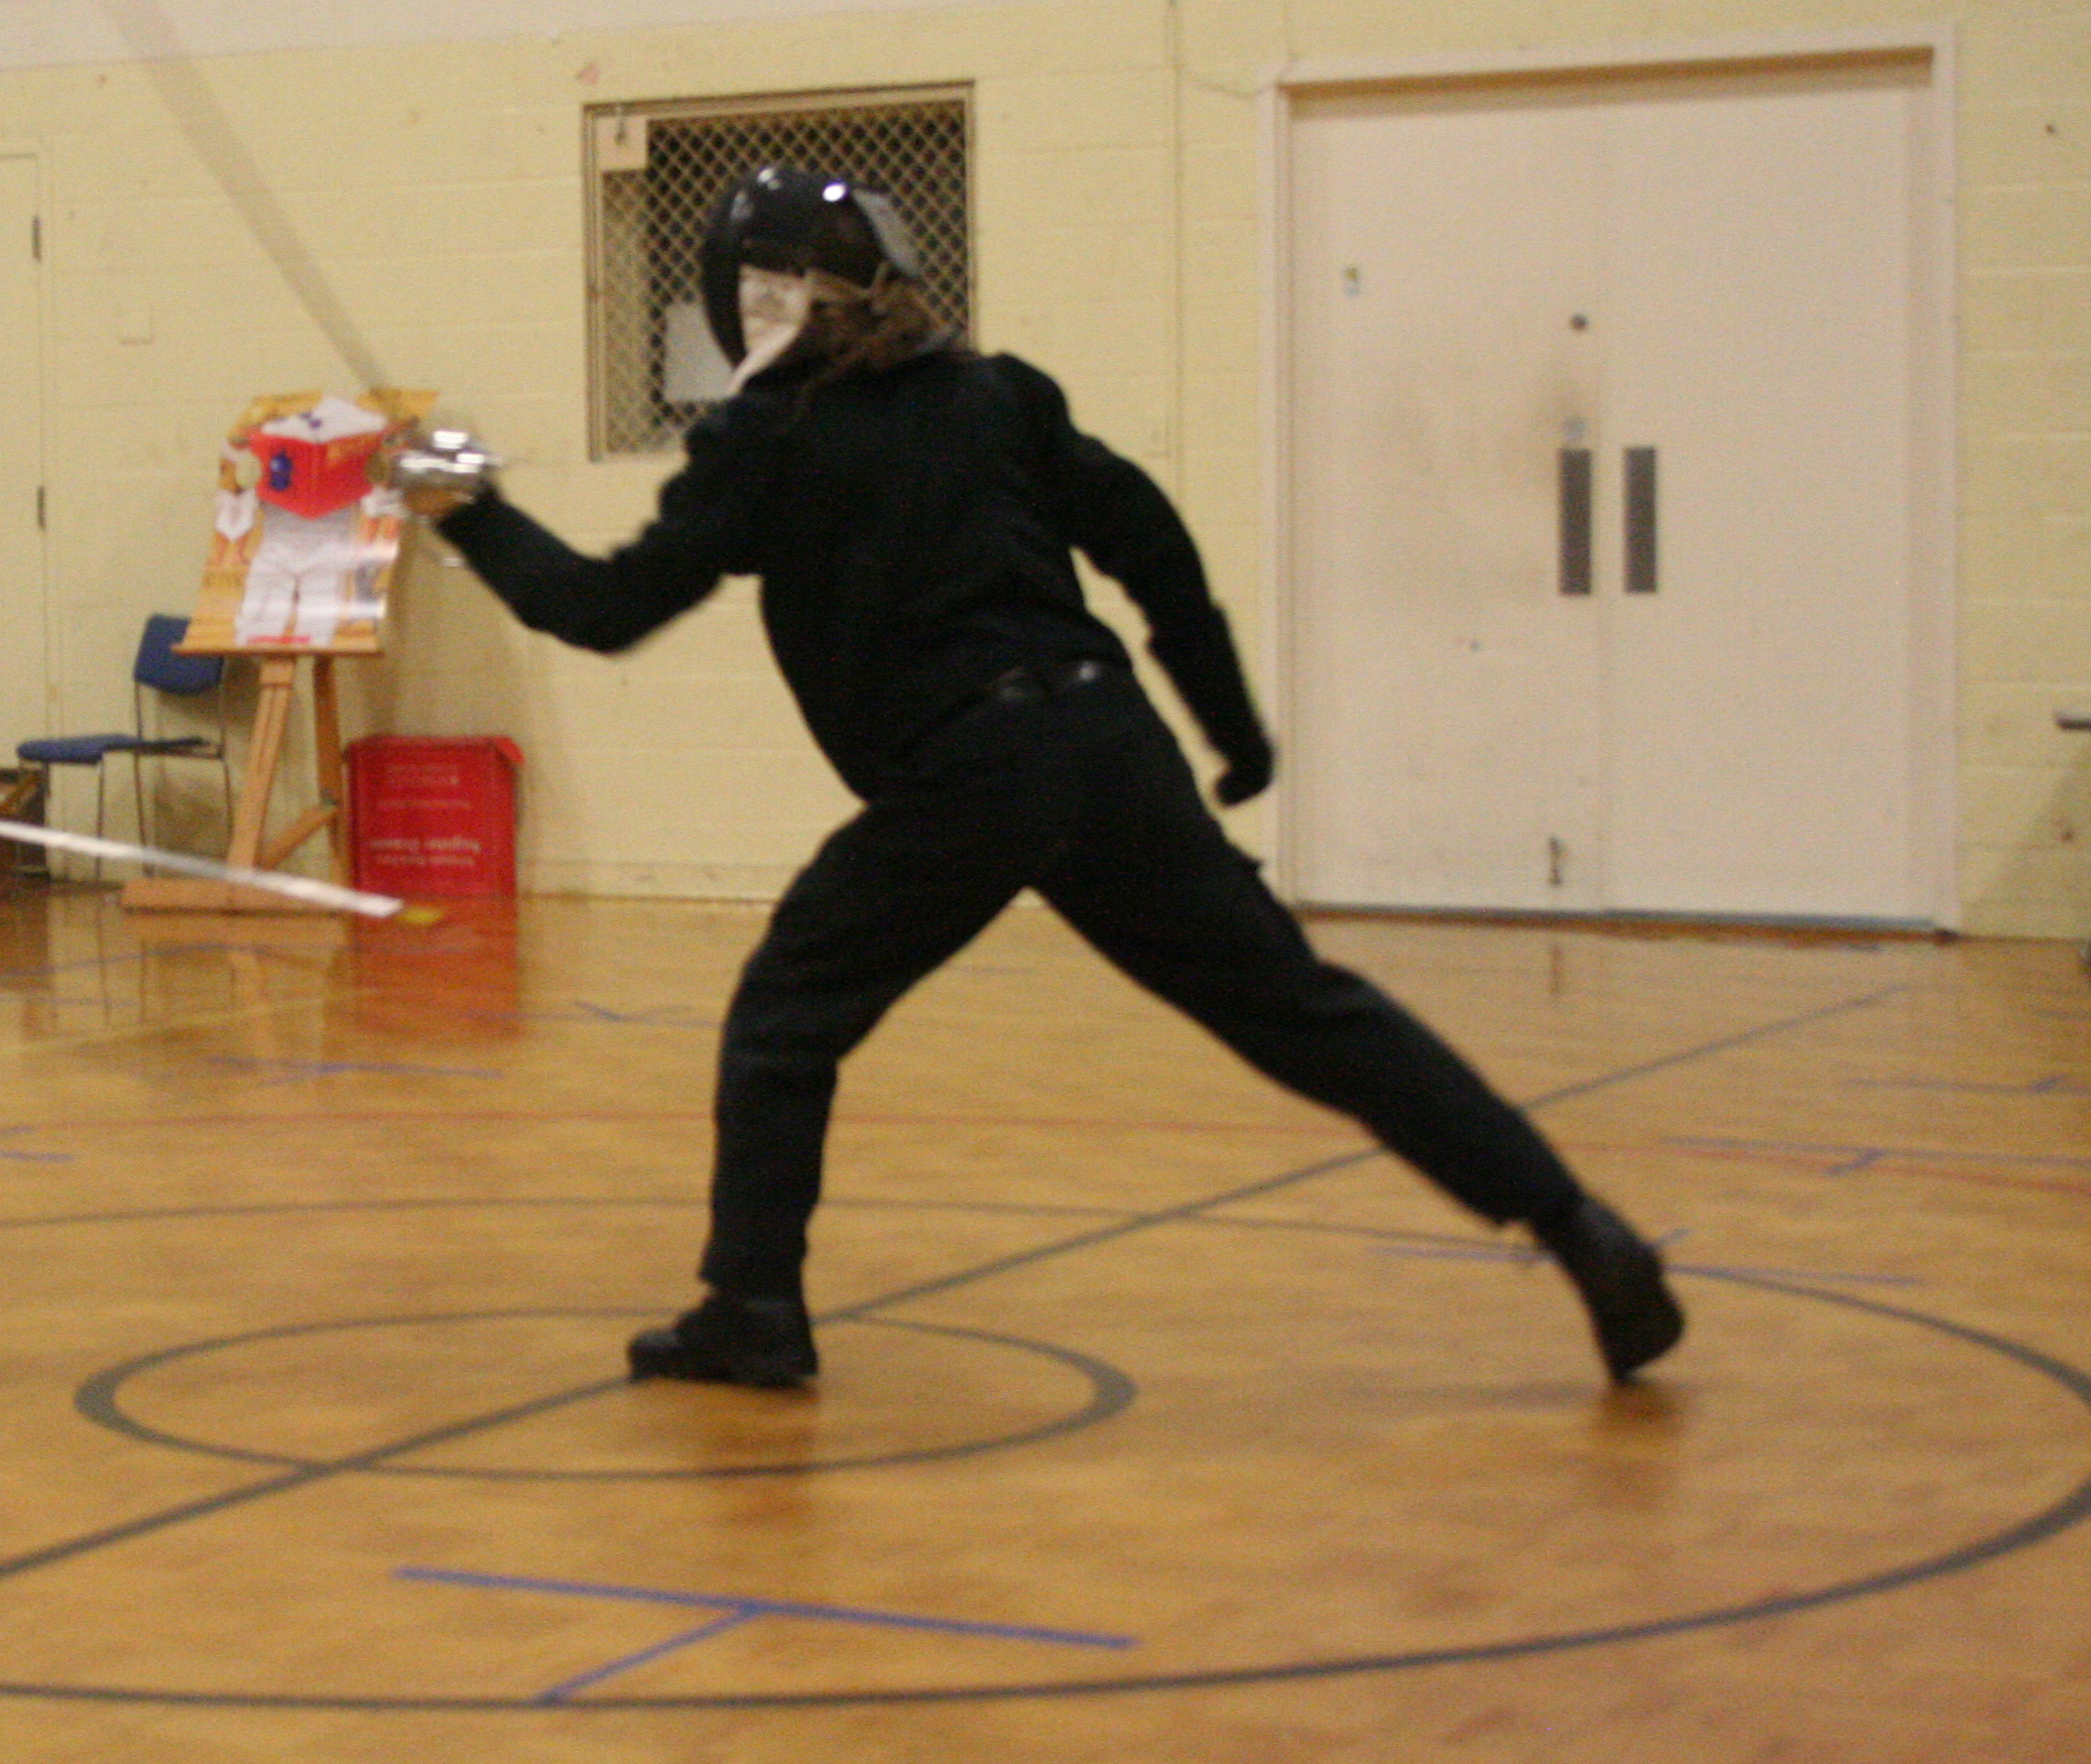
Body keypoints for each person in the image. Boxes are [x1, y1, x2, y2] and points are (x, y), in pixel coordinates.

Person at [390, 166, 1679, 1391]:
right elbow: (1148, 539)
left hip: (969, 771)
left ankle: (754, 1310)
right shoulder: (996, 395)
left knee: (788, 1017)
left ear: (759, 296)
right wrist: (1228, 724)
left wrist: (471, 510)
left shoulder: (767, 438)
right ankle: (1582, 1233)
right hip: (1110, 747)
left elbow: (606, 608)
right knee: (1303, 1008)